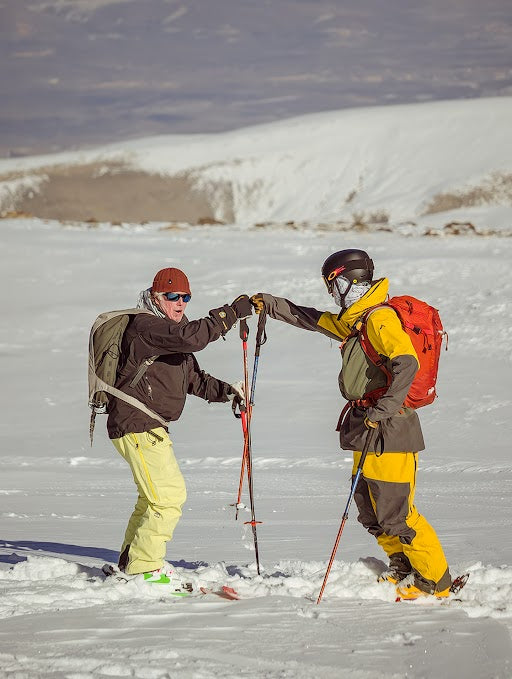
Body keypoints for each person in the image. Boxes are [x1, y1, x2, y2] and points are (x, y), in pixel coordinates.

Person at [251, 249, 452, 600]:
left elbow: (407, 364)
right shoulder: (356, 319)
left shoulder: (379, 319)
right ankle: (403, 567)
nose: (332, 294)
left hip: (390, 427)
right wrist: (269, 304)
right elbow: (311, 319)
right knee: (371, 508)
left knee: (397, 513)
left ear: (349, 281)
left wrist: (382, 412)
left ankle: (435, 582)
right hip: (367, 425)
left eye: (334, 285)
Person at [106, 266, 252, 584]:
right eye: (172, 296)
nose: (180, 302)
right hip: (136, 423)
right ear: (156, 297)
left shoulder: (173, 332)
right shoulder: (146, 326)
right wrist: (231, 313)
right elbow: (194, 338)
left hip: (146, 425)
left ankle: (130, 561)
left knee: (152, 498)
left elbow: (194, 379)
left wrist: (229, 393)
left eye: (185, 297)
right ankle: (144, 569)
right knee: (168, 497)